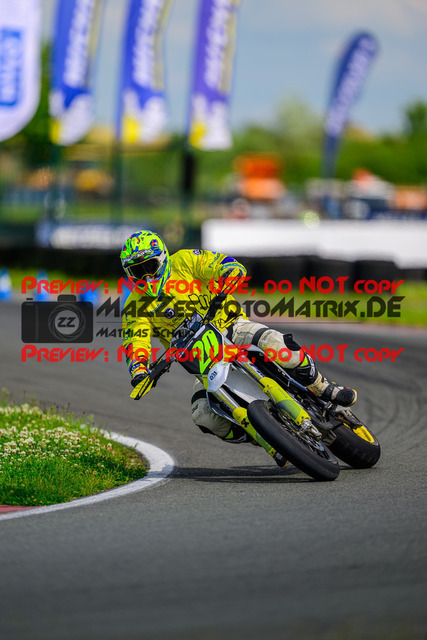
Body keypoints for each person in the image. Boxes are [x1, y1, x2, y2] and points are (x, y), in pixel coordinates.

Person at [120, 230, 356, 444]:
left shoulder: (184, 260)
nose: (146, 276)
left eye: (149, 266)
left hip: (233, 328)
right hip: (203, 362)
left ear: (162, 259)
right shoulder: (134, 306)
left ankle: (323, 388)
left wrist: (229, 272)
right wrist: (139, 370)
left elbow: (220, 263)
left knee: (276, 343)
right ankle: (263, 434)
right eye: (137, 271)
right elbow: (135, 340)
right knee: (203, 415)